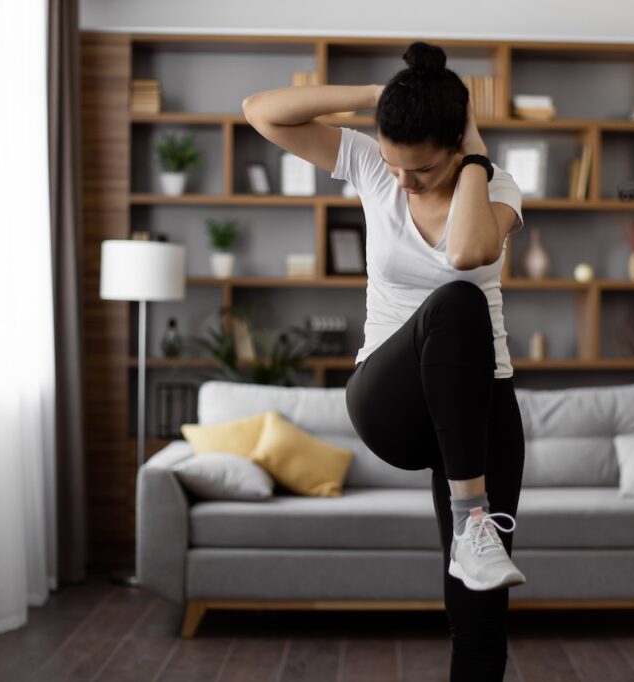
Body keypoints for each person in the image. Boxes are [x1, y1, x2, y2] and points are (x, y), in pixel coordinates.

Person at [243, 40, 526, 682]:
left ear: (459, 147)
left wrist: (476, 149)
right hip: (390, 398)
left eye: (420, 171)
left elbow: (468, 250)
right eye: (395, 166)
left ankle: (471, 531)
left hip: (478, 406)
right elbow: (261, 110)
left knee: (480, 613)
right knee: (456, 304)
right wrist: (378, 98)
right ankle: (470, 516)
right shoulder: (375, 166)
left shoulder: (496, 185)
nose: (402, 182)